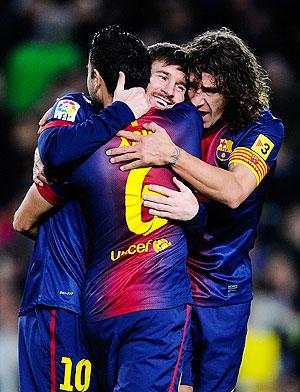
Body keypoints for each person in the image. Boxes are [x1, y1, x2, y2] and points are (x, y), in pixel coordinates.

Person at [19, 30, 205, 391]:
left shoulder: (172, 140)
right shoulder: (83, 115)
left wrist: (194, 213)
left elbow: (192, 230)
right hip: (64, 296)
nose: (170, 90)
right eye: (162, 76)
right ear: (134, 76)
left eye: (181, 86)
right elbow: (25, 217)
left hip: (108, 304)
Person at [105, 27, 285, 392]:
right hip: (172, 284)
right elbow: (111, 97)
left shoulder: (259, 128)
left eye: (211, 90)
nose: (197, 99)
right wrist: (64, 119)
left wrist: (171, 155)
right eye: (193, 87)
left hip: (224, 290)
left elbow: (234, 191)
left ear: (234, 90)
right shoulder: (177, 116)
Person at [13, 25, 152, 392]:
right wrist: (119, 113)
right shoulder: (76, 108)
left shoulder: (155, 134)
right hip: (63, 297)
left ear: (96, 77)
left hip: (111, 302)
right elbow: (55, 150)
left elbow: (53, 158)